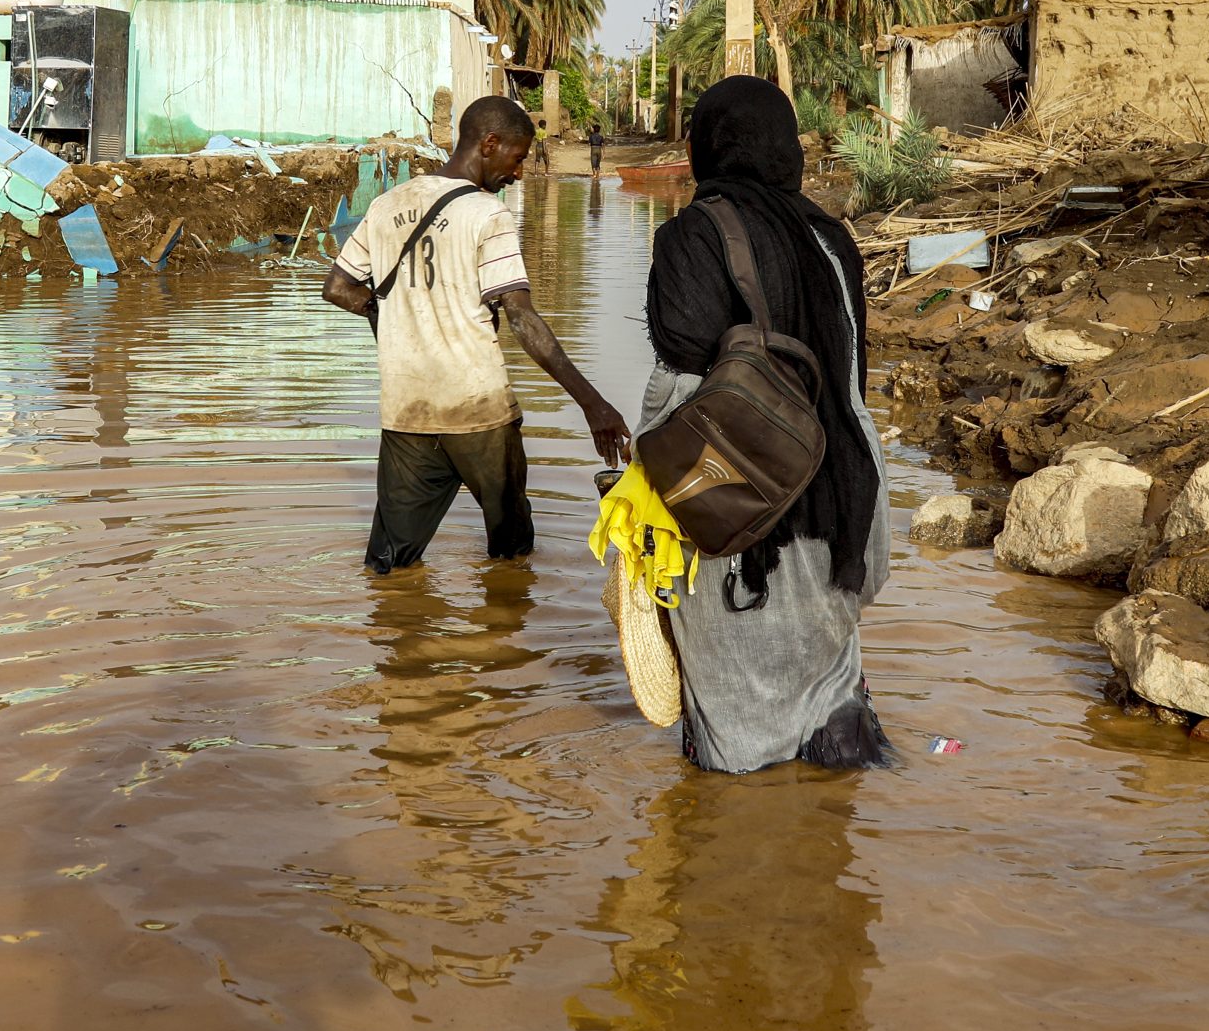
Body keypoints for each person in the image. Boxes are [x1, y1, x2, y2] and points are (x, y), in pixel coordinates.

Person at [641, 76, 892, 772]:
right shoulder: (833, 239)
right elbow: (851, 379)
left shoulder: (694, 235)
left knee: (735, 730)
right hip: (840, 500)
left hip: (738, 514)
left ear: (705, 148)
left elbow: (680, 378)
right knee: (828, 681)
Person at [324, 95, 631, 575]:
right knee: (513, 559)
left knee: (390, 567)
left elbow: (338, 287)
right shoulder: (488, 215)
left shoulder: (387, 204)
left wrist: (391, 319)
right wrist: (593, 403)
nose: (520, 171)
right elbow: (521, 317)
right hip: (479, 413)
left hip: (407, 411)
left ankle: (396, 637)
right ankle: (505, 640)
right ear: (490, 144)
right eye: (519, 156)